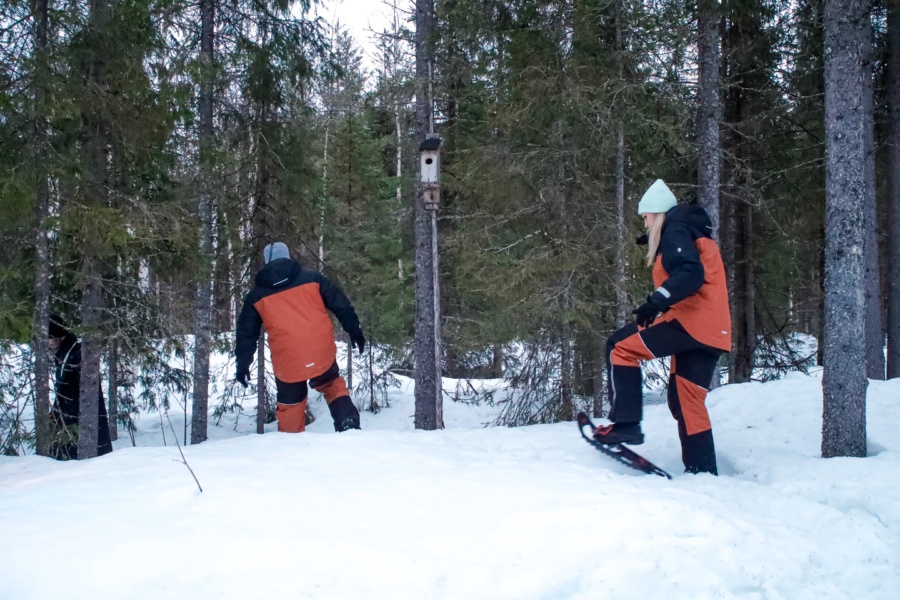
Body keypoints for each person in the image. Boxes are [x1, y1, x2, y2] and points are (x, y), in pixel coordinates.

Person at [595, 179, 731, 475]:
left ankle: (626, 425)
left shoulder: (675, 229)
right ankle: (703, 473)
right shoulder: (687, 233)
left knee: (620, 348)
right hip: (714, 332)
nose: (644, 223)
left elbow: (690, 274)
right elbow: (688, 262)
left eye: (645, 217)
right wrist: (659, 248)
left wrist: (656, 301)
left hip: (689, 323)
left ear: (657, 214)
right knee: (687, 400)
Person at [235, 242, 365, 433]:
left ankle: (290, 441)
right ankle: (348, 422)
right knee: (331, 383)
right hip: (320, 350)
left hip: (288, 359)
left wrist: (243, 364)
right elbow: (340, 303)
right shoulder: (312, 278)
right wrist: (354, 330)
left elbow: (246, 333)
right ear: (287, 257)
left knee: (291, 402)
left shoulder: (256, 296)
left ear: (266, 262)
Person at [48, 315, 113, 460]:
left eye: (50, 337)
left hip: (79, 420)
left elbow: (73, 394)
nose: (48, 342)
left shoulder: (76, 353)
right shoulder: (66, 351)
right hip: (70, 419)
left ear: (59, 335)